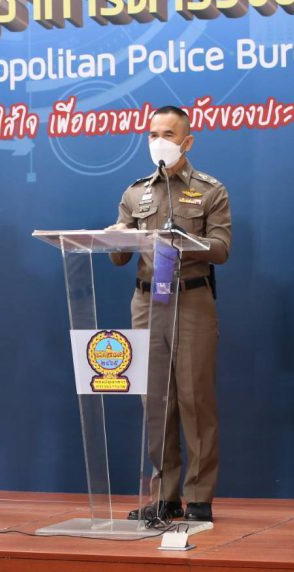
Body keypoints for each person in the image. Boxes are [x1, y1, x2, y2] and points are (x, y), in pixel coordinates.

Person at [108, 105, 231, 523]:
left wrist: (183, 241)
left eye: (168, 134)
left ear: (187, 142)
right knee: (155, 400)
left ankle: (198, 495)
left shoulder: (210, 190)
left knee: (195, 399)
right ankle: (165, 495)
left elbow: (222, 248)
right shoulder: (135, 192)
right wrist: (118, 237)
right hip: (147, 302)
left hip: (191, 299)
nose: (159, 141)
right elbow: (119, 258)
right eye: (153, 134)